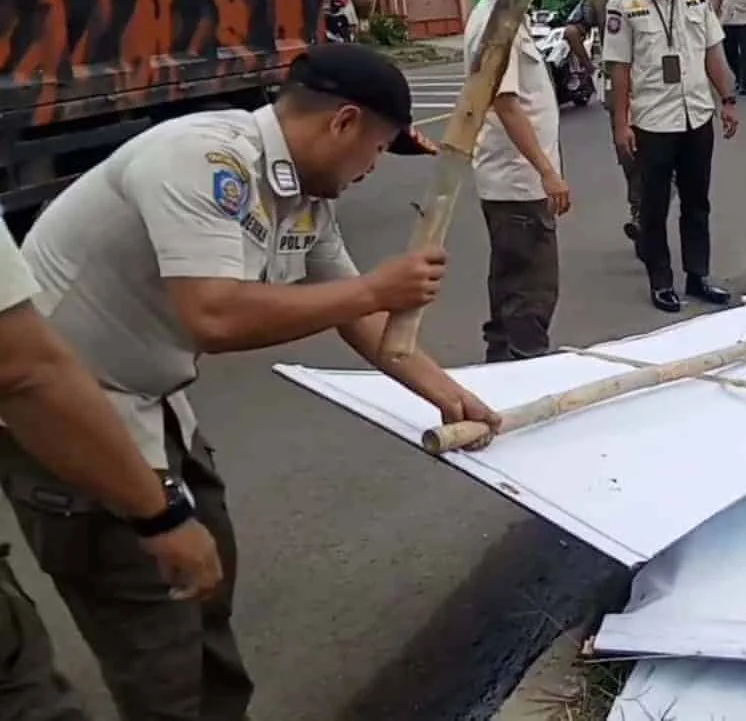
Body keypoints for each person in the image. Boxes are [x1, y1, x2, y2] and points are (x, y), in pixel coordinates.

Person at [9, 42, 503, 721]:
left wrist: (458, 399)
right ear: (343, 122)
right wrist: (374, 287)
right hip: (72, 420)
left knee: (210, 592)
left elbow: (364, 322)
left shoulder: (305, 197)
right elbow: (213, 313)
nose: (373, 167)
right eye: (378, 148)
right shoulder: (204, 159)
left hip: (155, 406)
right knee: (156, 639)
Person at [0, 224, 224, 721]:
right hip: (80, 430)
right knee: (152, 660)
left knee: (200, 644)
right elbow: (21, 369)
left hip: (136, 406)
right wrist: (159, 517)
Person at [604, 0, 741, 314]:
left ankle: (698, 276)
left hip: (696, 115)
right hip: (652, 121)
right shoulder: (624, 4)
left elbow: (713, 52)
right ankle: (661, 282)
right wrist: (620, 124)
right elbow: (619, 70)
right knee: (654, 206)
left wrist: (728, 99)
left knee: (698, 202)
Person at [467, 0, 574, 362]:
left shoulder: (510, 15)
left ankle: (500, 371)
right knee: (531, 292)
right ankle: (526, 373)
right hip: (517, 183)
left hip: (515, 181)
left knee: (511, 289)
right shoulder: (496, 25)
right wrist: (548, 172)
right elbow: (507, 105)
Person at [565, 0, 649, 242]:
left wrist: (591, 68)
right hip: (653, 86)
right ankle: (649, 211)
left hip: (616, 87)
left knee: (629, 153)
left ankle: (640, 211)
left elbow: (572, 31)